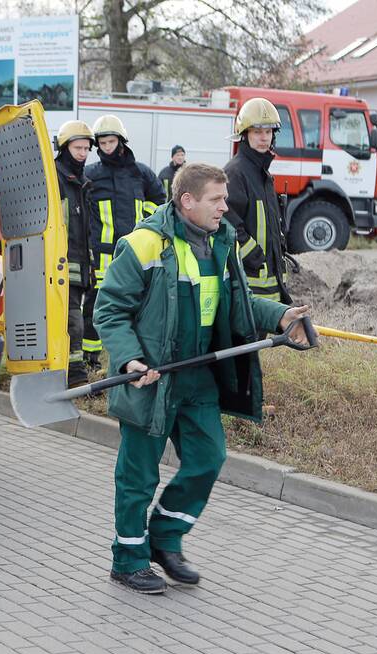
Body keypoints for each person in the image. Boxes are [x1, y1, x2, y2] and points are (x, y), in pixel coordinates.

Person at [93, 162, 311, 594]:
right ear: (187, 201)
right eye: (217, 199)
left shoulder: (221, 244)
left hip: (197, 378)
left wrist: (281, 315)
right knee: (138, 476)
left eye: (225, 199)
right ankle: (128, 560)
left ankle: (165, 539)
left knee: (209, 457)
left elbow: (238, 302)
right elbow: (109, 310)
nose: (225, 208)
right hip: (151, 379)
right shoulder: (143, 245)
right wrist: (128, 362)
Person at [82, 114, 165, 372]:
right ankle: (91, 359)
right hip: (102, 256)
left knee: (139, 306)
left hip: (136, 254)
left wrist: (144, 222)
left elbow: (160, 201)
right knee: (97, 307)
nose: (107, 147)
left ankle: (136, 357)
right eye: (103, 143)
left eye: (111, 141)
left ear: (121, 141)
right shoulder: (91, 175)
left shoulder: (141, 173)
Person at [224, 97, 292, 303]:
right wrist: (254, 256)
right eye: (257, 132)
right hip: (250, 282)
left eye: (268, 132)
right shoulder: (236, 173)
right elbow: (227, 222)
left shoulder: (263, 174)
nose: (264, 138)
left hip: (270, 282)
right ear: (244, 135)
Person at [54, 120, 96, 388]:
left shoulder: (81, 181)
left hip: (79, 263)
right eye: (78, 147)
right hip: (60, 262)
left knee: (73, 318)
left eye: (85, 148)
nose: (83, 153)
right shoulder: (55, 176)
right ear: (65, 147)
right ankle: (76, 375)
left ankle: (67, 370)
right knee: (72, 320)